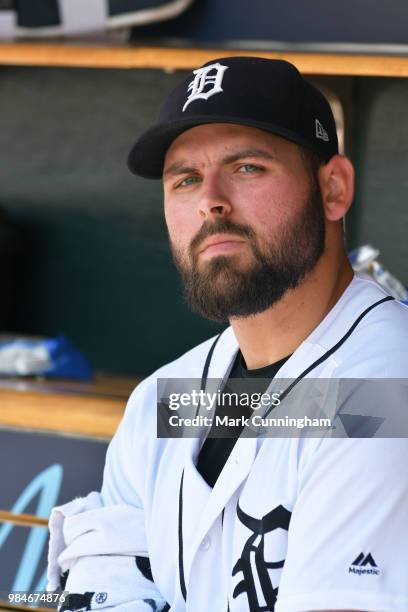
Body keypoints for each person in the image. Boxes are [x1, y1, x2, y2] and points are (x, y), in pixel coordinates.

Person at [47, 57, 408, 612]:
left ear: (333, 189)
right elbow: (102, 572)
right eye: (185, 179)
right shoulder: (164, 400)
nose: (209, 200)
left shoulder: (385, 388)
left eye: (247, 168)